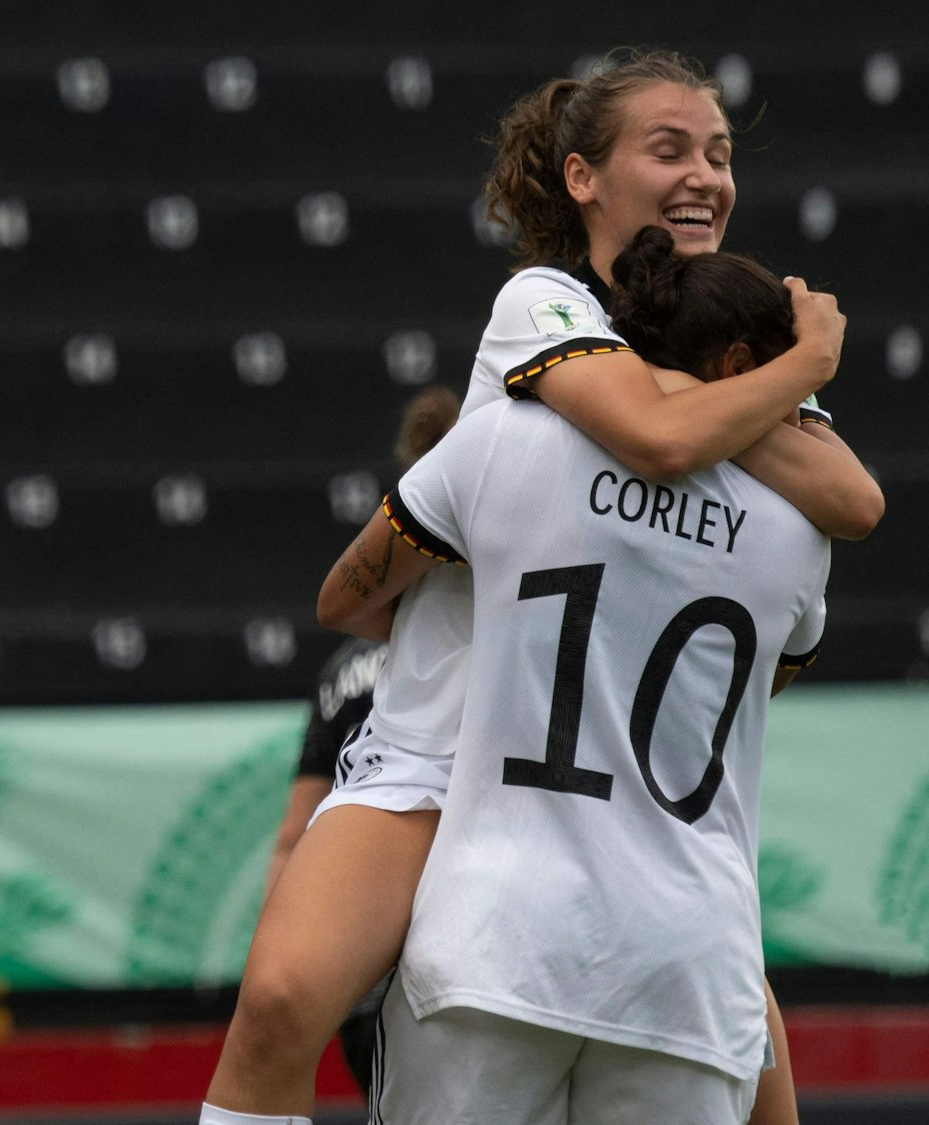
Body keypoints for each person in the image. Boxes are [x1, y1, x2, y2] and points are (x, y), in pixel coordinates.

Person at [202, 47, 878, 1125]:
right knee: (279, 1003)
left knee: (750, 1059)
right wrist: (797, 370)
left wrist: (731, 384)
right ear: (580, 179)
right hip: (437, 751)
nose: (704, 173)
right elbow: (658, 438)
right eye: (668, 149)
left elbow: (848, 498)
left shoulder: (717, 338)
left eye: (717, 151)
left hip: (612, 785)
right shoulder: (543, 301)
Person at [324, 226, 828, 1122]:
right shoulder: (800, 528)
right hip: (688, 973)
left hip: (494, 947)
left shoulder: (501, 440)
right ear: (745, 365)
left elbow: (346, 600)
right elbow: (758, 680)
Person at [259, 386, 457, 1098]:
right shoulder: (509, 630)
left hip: (362, 943)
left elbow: (293, 835)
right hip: (465, 936)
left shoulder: (344, 664)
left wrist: (279, 968)